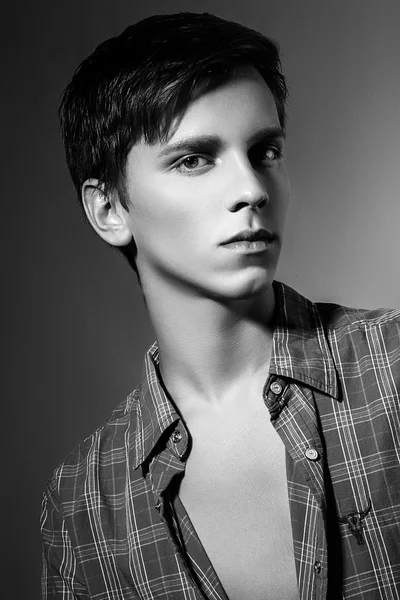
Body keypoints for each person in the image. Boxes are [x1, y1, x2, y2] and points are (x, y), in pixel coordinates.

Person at [40, 11, 400, 600]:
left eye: (265, 151)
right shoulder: (82, 504)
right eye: (194, 159)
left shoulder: (392, 370)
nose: (252, 189)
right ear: (109, 209)